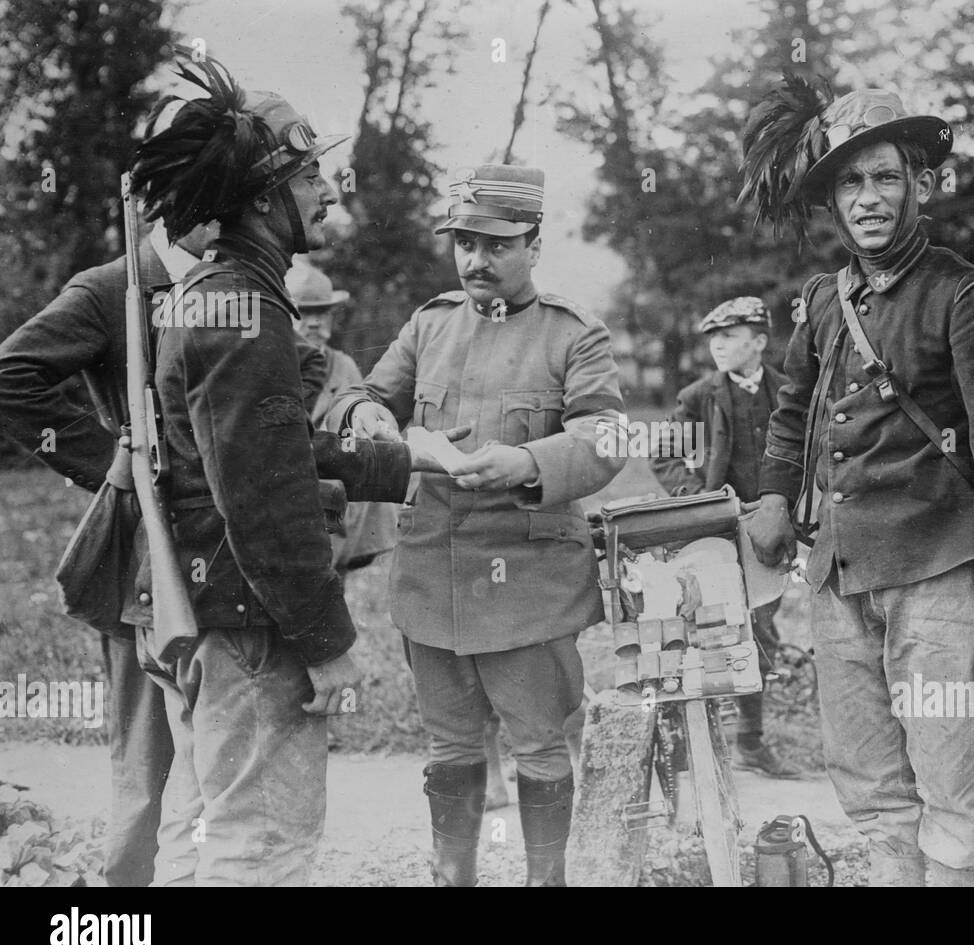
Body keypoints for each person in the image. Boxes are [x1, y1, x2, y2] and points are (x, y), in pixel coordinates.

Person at [124, 57, 461, 885]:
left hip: (204, 610)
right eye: (311, 176)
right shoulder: (251, 311)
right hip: (249, 624)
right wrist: (327, 641)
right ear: (264, 196)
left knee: (202, 839)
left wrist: (405, 461)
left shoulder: (218, 294)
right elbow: (267, 501)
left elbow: (267, 452)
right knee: (260, 850)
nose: (331, 194)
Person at [741, 83, 974, 886]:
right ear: (834, 201)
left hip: (939, 574)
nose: (868, 198)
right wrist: (776, 495)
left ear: (919, 185)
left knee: (949, 785)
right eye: (850, 183)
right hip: (840, 576)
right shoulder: (821, 301)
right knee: (872, 787)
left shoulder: (968, 296)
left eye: (885, 177)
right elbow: (789, 413)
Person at [328, 164, 626, 887]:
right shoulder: (429, 323)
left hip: (528, 583)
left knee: (538, 745)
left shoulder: (572, 335)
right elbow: (360, 400)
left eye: (495, 244)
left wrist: (527, 459)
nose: (475, 259)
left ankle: (544, 879)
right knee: (449, 745)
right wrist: (379, 424)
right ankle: (451, 875)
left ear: (533, 243)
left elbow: (609, 438)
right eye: (464, 241)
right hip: (434, 577)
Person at [0, 100, 221, 886]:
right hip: (146, 557)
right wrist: (114, 459)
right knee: (145, 765)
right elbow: (13, 375)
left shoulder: (239, 290)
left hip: (228, 557)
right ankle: (120, 921)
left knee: (226, 765)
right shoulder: (111, 289)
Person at [649, 296, 798, 778]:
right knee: (707, 626)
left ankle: (750, 742)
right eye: (712, 338)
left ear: (758, 342)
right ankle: (700, 740)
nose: (717, 346)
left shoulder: (789, 390)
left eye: (729, 337)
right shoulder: (699, 396)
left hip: (773, 531)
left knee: (759, 627)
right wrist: (698, 499)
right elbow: (667, 454)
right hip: (715, 531)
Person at [285, 258, 398, 580]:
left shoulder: (343, 366)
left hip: (332, 507)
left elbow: (358, 441)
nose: (315, 323)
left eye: (323, 313)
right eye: (303, 314)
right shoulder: (270, 367)